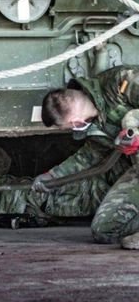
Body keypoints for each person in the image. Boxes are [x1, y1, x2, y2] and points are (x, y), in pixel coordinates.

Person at [36, 65, 139, 249]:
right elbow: (89, 156)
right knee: (105, 230)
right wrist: (52, 176)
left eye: (68, 128)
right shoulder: (98, 125)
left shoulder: (118, 82)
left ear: (74, 123)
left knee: (130, 121)